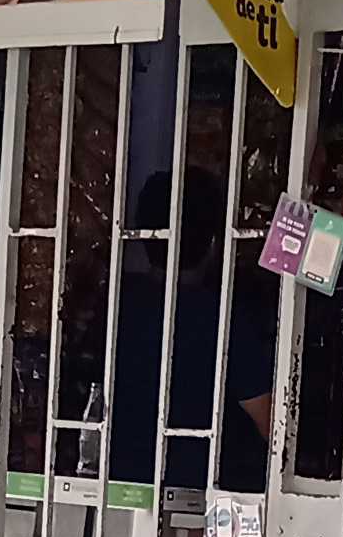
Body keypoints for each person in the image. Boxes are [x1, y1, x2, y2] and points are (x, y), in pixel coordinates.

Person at [107, 169, 275, 491]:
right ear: (214, 242)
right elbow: (273, 425)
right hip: (202, 497)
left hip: (115, 489)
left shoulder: (115, 303)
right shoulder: (224, 318)